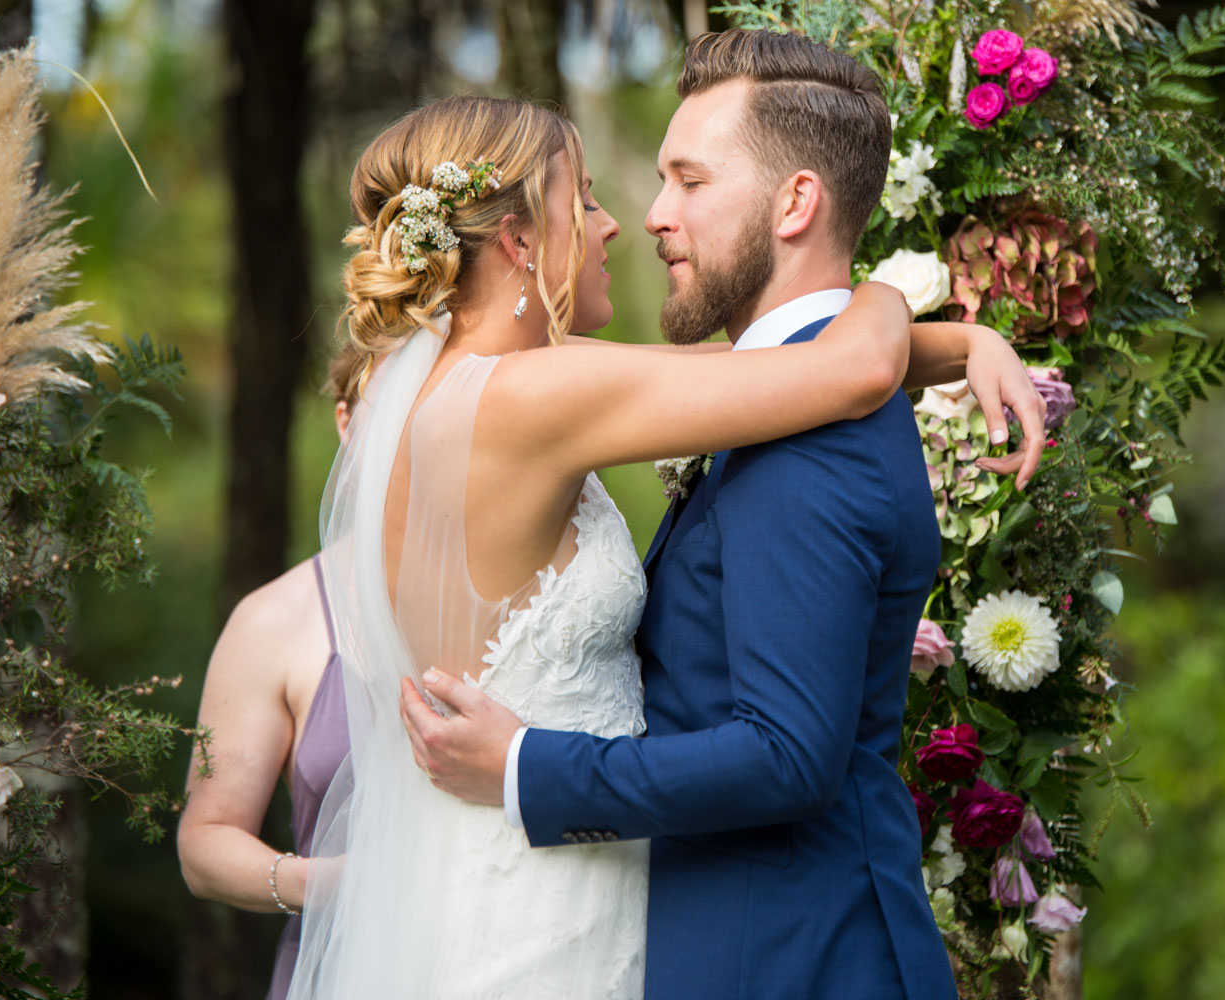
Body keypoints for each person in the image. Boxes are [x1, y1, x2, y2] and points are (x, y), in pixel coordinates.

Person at [290, 33, 1044, 1000]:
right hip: (552, 901)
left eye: (682, 180)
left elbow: (767, 377)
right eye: (591, 199)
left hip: (494, 886)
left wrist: (949, 343)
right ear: (518, 240)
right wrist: (910, 307)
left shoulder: (435, 395)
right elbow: (842, 367)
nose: (626, 223)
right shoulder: (535, 395)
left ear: (795, 200)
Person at [175, 342, 365, 1000]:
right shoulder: (274, 620)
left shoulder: (538, 592)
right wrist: (327, 884)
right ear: (347, 421)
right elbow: (206, 840)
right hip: (346, 968)